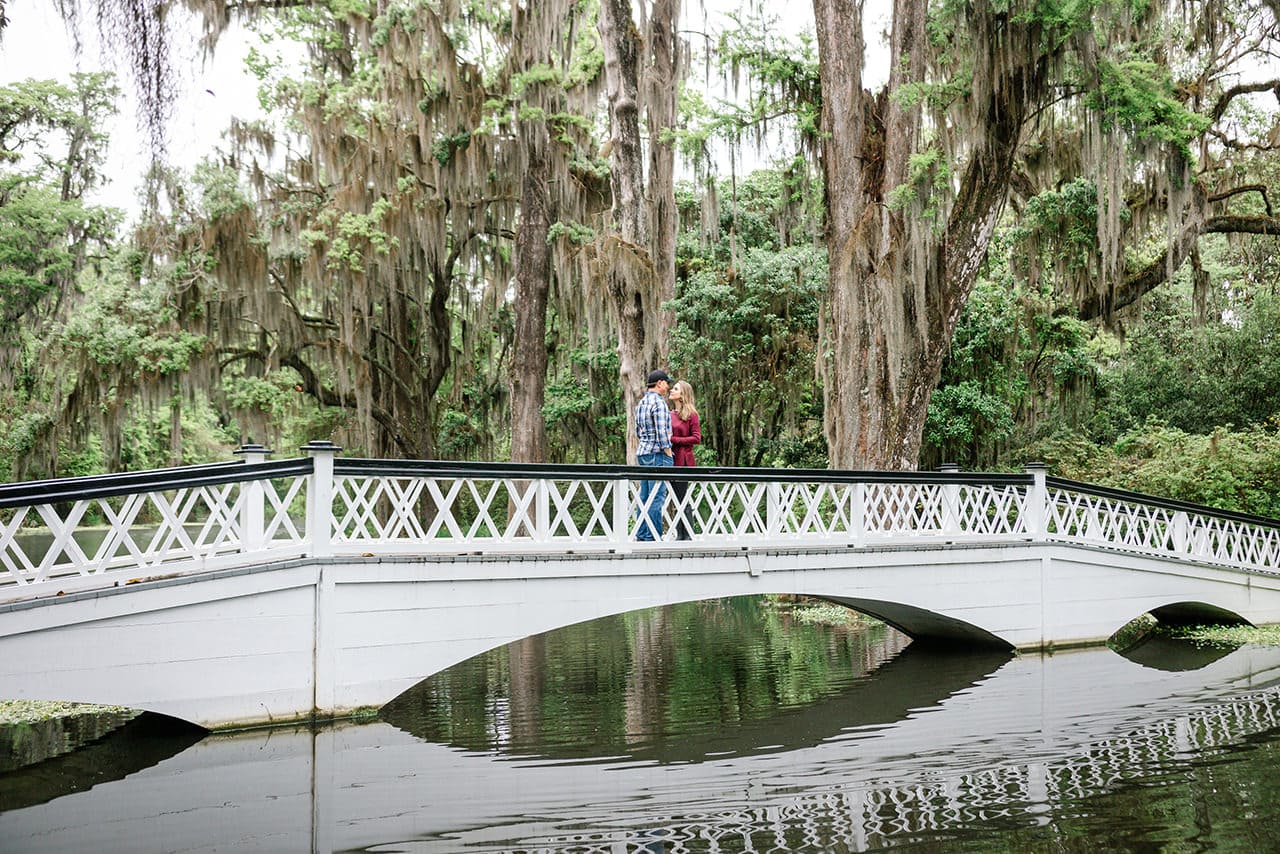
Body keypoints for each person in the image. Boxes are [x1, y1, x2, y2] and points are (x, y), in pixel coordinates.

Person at [634, 369, 673, 541]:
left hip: (643, 453)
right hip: (657, 453)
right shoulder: (659, 403)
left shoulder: (641, 403)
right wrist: (668, 452)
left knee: (644, 496)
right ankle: (654, 536)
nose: (668, 387)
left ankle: (642, 534)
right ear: (659, 383)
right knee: (657, 496)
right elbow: (662, 432)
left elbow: (638, 430)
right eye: (667, 383)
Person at [668, 380, 701, 540]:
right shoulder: (670, 414)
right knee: (674, 497)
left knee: (682, 496)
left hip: (684, 460)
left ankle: (686, 533)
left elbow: (696, 438)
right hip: (670, 459)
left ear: (683, 395)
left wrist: (674, 439)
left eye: (675, 389)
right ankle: (679, 534)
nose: (671, 390)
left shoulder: (691, 415)